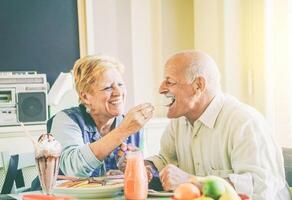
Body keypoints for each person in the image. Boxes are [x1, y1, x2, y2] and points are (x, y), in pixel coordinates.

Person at [145, 50, 290, 199]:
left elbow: (260, 187)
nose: (161, 89)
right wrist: (148, 166)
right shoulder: (178, 122)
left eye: (169, 82)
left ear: (198, 86)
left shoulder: (245, 122)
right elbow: (166, 159)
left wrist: (193, 182)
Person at [49, 55, 154, 177]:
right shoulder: (66, 120)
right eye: (108, 87)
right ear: (86, 97)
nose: (118, 92)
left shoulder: (134, 126)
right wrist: (122, 131)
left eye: (120, 85)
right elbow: (73, 169)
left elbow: (142, 175)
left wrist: (132, 169)